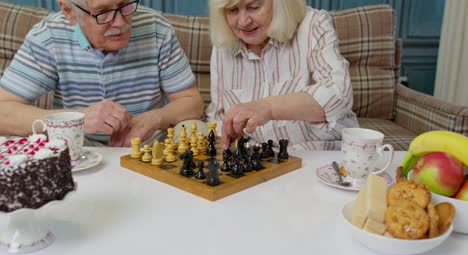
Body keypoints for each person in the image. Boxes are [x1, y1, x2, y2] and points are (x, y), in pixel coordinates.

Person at [0, 0, 204, 147]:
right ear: (69, 11)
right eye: (103, 12)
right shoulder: (47, 37)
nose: (120, 22)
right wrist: (75, 119)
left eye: (125, 5)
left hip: (148, 144)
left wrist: (155, 118)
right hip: (80, 147)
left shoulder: (157, 28)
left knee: (197, 130)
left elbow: (192, 102)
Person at [206, 0, 359, 150]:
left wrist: (268, 108)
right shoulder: (223, 46)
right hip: (264, 159)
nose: (243, 21)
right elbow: (218, 118)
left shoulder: (313, 24)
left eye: (253, 7)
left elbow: (338, 95)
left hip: (321, 152)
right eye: (232, 10)